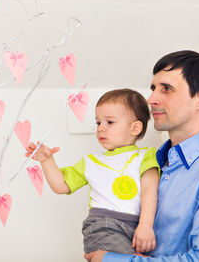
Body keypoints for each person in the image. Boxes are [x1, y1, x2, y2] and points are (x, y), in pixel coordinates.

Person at [85, 50, 199, 262]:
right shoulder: (150, 164)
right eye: (153, 89)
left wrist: (111, 259)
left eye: (166, 89)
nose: (151, 99)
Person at [25, 89, 160, 255]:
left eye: (109, 122)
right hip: (103, 225)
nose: (101, 128)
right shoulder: (91, 161)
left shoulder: (146, 156)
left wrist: (145, 226)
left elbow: (150, 190)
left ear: (135, 128)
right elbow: (61, 186)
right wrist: (46, 160)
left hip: (136, 226)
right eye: (98, 123)